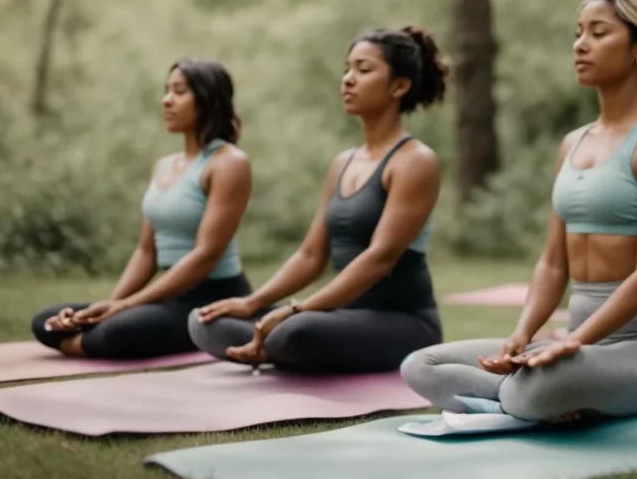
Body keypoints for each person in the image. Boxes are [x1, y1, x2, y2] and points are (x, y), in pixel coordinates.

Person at [401, 0, 637, 423]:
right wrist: (522, 335)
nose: (581, 45)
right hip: (580, 345)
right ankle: (546, 396)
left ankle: (536, 397)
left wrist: (573, 341)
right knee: (420, 367)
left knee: (535, 391)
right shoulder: (573, 143)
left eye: (599, 33)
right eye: (578, 33)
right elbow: (553, 264)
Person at [190, 26, 447, 373]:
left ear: (399, 86)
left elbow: (379, 258)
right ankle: (274, 344)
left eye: (363, 69)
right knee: (206, 319)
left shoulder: (415, 161)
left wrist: (298, 310)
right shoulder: (343, 162)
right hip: (341, 316)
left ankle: (278, 345)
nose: (348, 79)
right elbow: (311, 255)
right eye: (347, 69)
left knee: (293, 333)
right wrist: (254, 302)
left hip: (402, 322)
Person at [31, 59, 252, 358]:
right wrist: (110, 305)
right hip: (168, 294)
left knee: (117, 333)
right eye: (166, 91)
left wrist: (124, 308)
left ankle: (85, 342)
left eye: (179, 91)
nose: (166, 100)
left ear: (206, 99)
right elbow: (147, 251)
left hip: (213, 298)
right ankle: (89, 339)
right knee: (46, 321)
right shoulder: (162, 167)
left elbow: (205, 256)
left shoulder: (229, 163)